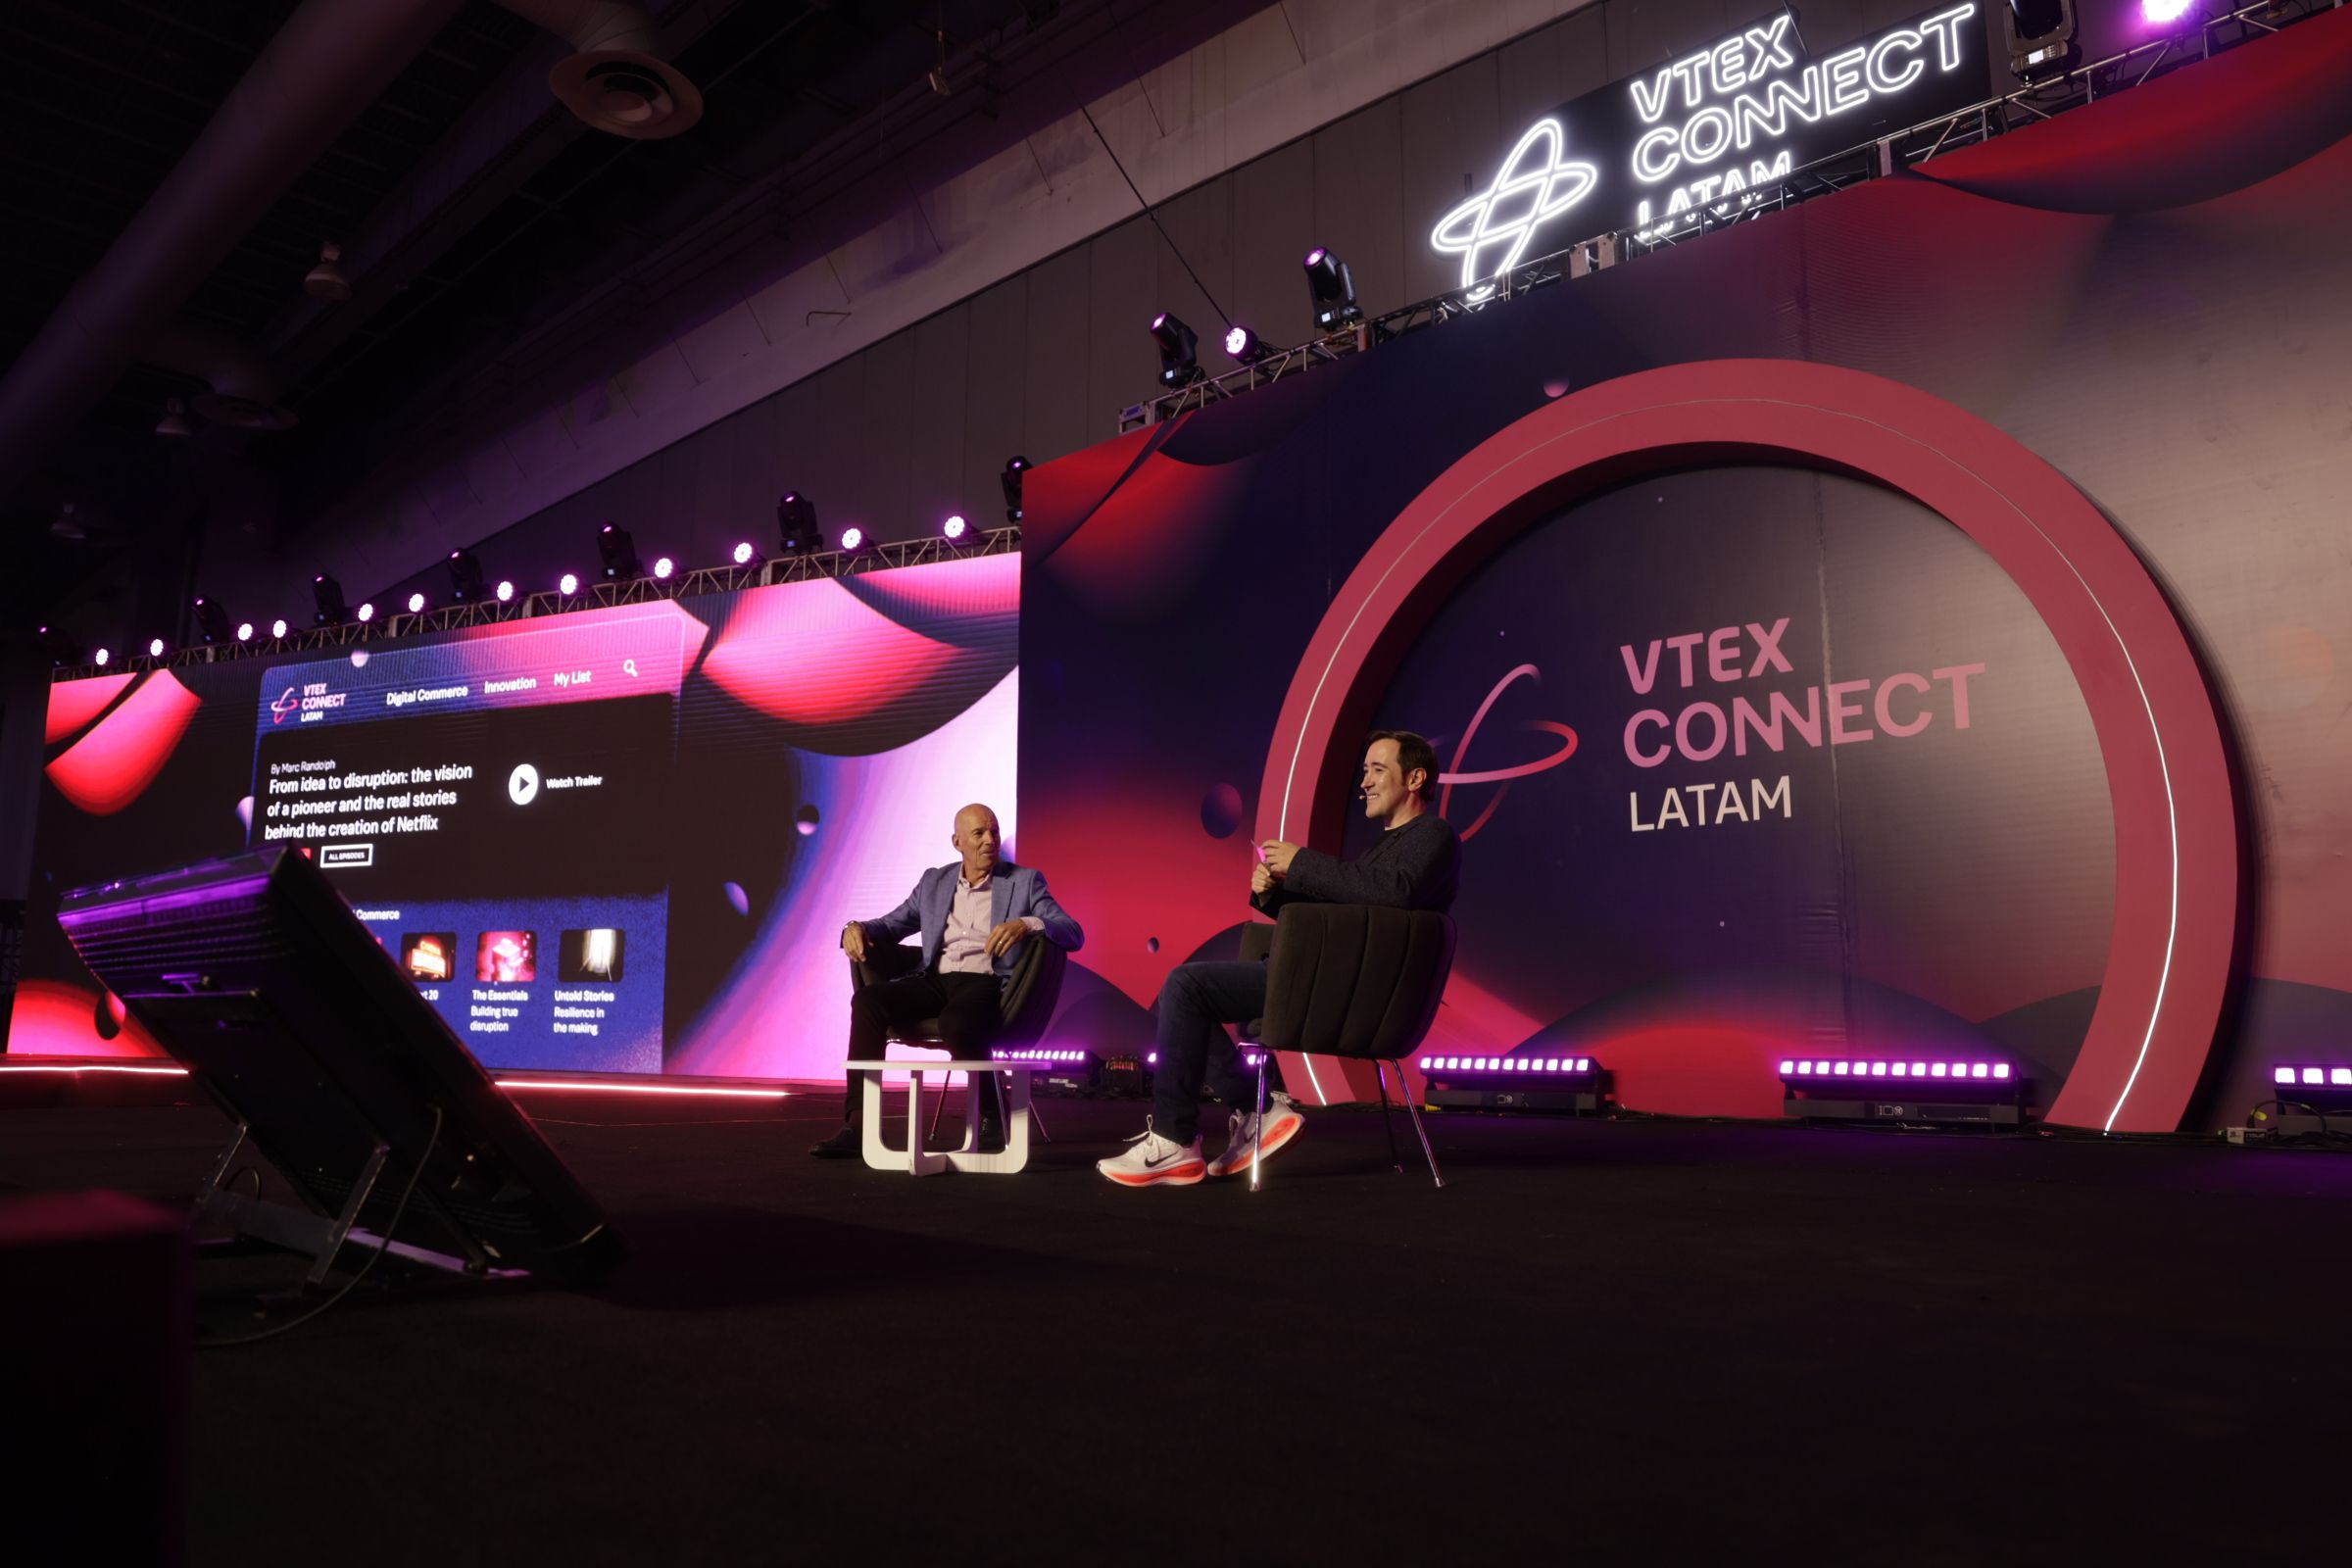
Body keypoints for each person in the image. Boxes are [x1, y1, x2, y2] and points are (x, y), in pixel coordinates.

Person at [1097, 731, 1461, 1187]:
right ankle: (1251, 1113)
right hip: (1331, 981)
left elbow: (1393, 893)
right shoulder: (1389, 846)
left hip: (1352, 993)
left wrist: (1302, 862)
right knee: (1186, 993)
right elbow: (1346, 914)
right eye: (1364, 771)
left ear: (1416, 778)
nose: (1364, 782)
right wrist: (1275, 895)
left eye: (1377, 769)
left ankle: (1184, 1135)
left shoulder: (1433, 834)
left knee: (1186, 987)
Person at [811, 804, 1084, 1158]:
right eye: (979, 833)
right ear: (957, 842)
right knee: (868, 1002)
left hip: (984, 982)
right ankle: (859, 1125)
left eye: (994, 832)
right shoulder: (934, 882)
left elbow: (1073, 932)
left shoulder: (1025, 882)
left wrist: (1028, 923)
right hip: (935, 979)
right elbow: (892, 925)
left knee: (957, 1022)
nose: (990, 840)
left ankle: (992, 1113)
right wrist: (853, 927)